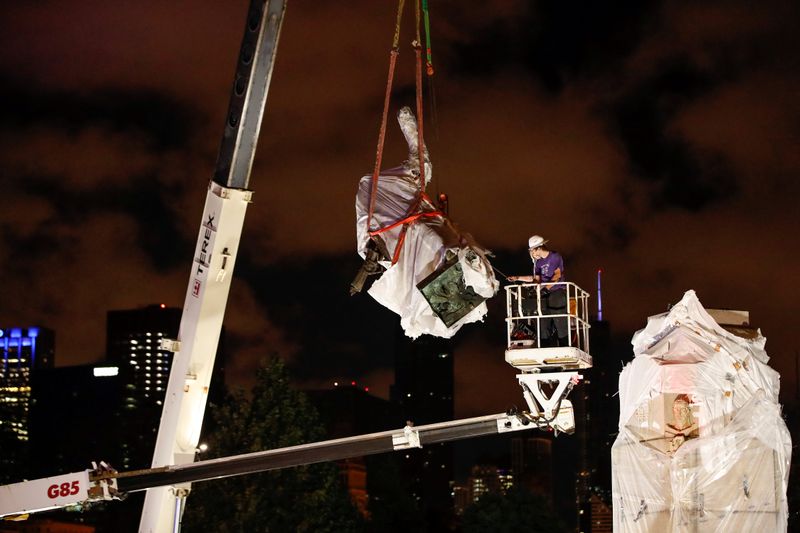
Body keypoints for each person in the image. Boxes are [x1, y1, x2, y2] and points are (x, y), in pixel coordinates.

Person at [508, 235, 568, 346]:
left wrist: (546, 289)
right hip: (544, 292)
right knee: (542, 320)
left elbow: (557, 275)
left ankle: (565, 344)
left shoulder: (555, 256)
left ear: (539, 248)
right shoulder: (538, 263)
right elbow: (536, 279)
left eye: (532, 250)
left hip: (557, 291)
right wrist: (518, 278)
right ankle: (545, 345)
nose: (531, 253)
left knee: (558, 317)